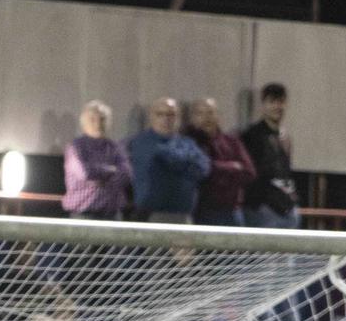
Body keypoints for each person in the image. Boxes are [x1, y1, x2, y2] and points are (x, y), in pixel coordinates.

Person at [127, 98, 210, 223]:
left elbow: (203, 168)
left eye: (171, 114)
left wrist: (178, 161)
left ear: (179, 118)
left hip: (183, 216)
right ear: (151, 117)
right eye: (160, 114)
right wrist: (187, 161)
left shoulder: (187, 142)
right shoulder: (141, 142)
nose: (166, 118)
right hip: (152, 216)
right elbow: (163, 155)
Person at [184, 98, 254, 226]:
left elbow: (249, 173)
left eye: (210, 113)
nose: (206, 118)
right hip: (202, 214)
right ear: (193, 118)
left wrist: (215, 169)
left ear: (218, 115)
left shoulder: (232, 142)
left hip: (233, 213)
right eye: (201, 113)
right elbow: (201, 171)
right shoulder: (188, 143)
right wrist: (232, 167)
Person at [240, 82, 298, 228]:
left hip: (286, 207)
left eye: (281, 102)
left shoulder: (285, 137)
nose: (277, 107)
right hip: (262, 208)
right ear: (263, 105)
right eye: (272, 102)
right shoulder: (251, 135)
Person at [63, 100, 130, 219]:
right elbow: (85, 173)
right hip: (84, 213)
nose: (98, 123)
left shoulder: (115, 147)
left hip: (112, 214)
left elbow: (126, 174)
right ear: (84, 123)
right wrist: (112, 170)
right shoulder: (76, 147)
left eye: (102, 119)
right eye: (92, 119)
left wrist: (100, 178)